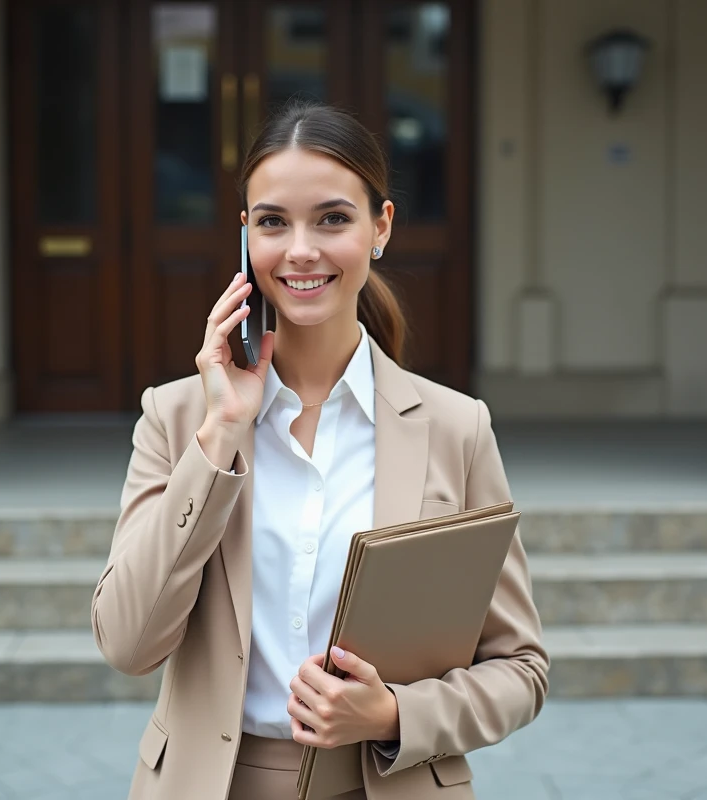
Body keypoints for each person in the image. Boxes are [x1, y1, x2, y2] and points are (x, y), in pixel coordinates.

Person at [91, 101, 549, 800]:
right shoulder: (177, 416)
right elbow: (128, 643)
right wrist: (220, 437)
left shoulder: (457, 428)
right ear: (246, 236)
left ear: (380, 228)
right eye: (273, 222)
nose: (301, 249)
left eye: (333, 219)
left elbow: (520, 668)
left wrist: (396, 713)